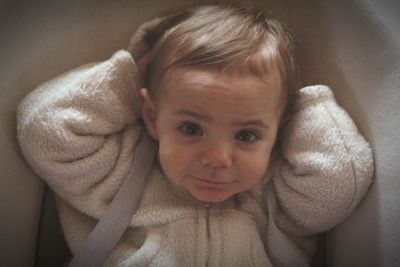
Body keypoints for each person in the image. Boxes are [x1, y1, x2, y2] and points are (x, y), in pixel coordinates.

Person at [16, 5, 373, 267]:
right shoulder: (119, 175)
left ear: (280, 128)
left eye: (247, 135)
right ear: (153, 117)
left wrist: (305, 106)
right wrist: (128, 78)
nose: (217, 158)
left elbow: (340, 184)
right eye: (190, 128)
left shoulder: (278, 194)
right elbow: (44, 128)